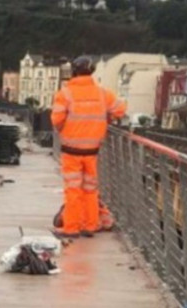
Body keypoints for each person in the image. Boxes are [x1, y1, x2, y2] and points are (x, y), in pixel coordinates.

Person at [50, 55, 126, 238]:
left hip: (71, 150)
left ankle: (72, 227)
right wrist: (107, 118)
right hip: (92, 150)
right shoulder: (103, 94)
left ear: (74, 72)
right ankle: (90, 225)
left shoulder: (65, 93)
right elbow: (120, 109)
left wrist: (66, 130)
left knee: (73, 189)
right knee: (90, 189)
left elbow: (56, 120)